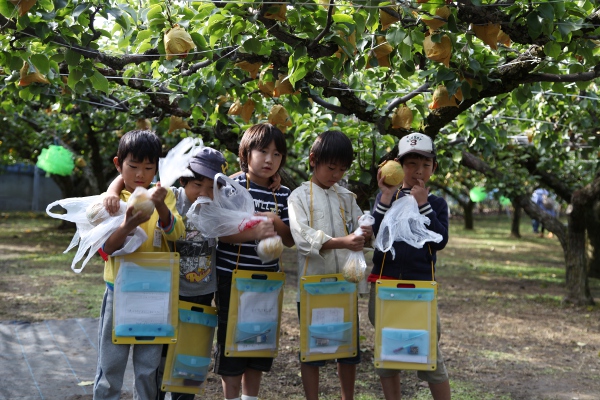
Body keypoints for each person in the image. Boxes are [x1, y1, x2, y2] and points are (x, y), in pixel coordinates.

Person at [103, 146, 228, 400]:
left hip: (201, 295)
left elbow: (237, 186)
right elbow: (135, 179)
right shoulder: (171, 195)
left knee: (188, 362)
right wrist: (112, 189)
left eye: (210, 189)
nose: (203, 194)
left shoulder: (218, 204)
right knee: (152, 363)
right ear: (183, 181)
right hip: (166, 293)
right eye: (197, 186)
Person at [94, 129, 185, 400]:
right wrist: (126, 224)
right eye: (133, 166)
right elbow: (105, 249)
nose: (140, 174)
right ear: (118, 164)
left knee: (148, 368)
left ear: (158, 167)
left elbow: (177, 233)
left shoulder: (164, 196)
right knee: (110, 364)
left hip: (156, 293)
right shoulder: (112, 202)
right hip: (119, 290)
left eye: (148, 167)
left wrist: (162, 208)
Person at [287, 130, 373, 400]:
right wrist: (343, 242)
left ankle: (347, 397)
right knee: (312, 349)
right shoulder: (298, 197)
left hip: (344, 285)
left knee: (347, 349)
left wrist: (365, 233)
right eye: (331, 167)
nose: (336, 174)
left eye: (342, 169)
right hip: (312, 286)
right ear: (313, 160)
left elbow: (361, 228)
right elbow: (302, 237)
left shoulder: (346, 197)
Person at [213, 123, 295, 400]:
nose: (270, 159)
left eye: (277, 154)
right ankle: (232, 396)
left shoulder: (282, 194)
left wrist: (275, 222)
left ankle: (250, 397)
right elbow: (220, 234)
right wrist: (253, 232)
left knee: (258, 339)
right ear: (246, 153)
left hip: (266, 281)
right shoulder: (230, 186)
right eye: (262, 151)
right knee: (231, 339)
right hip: (231, 278)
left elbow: (291, 240)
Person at [368, 132, 451, 400]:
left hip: (420, 288)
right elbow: (376, 234)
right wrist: (385, 197)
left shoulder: (436, 204)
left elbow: (440, 240)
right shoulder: (386, 199)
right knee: (388, 349)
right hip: (385, 284)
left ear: (434, 168)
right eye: (412, 164)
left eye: (425, 165)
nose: (418, 171)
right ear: (399, 166)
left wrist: (423, 204)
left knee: (429, 351)